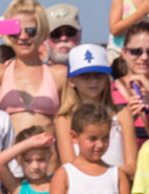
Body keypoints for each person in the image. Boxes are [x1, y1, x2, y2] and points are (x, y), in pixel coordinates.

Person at [0, 1, 68, 136]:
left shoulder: (59, 74)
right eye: (16, 32)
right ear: (7, 33)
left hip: (49, 155)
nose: (23, 37)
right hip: (8, 155)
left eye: (31, 31)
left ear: (42, 32)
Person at [55, 44, 137, 179]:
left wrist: (99, 173)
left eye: (99, 75)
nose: (93, 81)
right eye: (85, 76)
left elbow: (133, 168)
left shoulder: (122, 114)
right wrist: (109, 173)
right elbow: (69, 169)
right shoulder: (64, 119)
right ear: (71, 81)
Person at [112, 23, 149, 142]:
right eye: (136, 51)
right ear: (124, 53)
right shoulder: (108, 91)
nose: (144, 57)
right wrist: (124, 119)